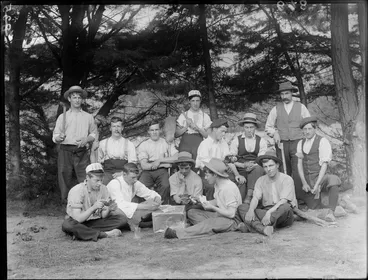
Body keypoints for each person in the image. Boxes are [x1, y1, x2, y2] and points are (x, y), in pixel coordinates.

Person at [164, 158, 243, 239]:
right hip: (220, 215)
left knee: (209, 222)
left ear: (215, 175)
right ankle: (210, 228)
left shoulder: (228, 188)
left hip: (232, 220)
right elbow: (217, 201)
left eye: (207, 175)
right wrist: (201, 201)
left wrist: (212, 208)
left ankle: (179, 233)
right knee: (192, 212)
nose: (205, 177)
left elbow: (231, 213)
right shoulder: (218, 184)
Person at [265, 81, 310, 201]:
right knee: (283, 171)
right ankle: (285, 199)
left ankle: (300, 199)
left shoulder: (301, 107)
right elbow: (268, 126)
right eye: (282, 94)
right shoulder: (276, 109)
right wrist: (274, 133)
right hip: (282, 144)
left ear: (291, 93)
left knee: (298, 170)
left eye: (287, 93)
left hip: (297, 142)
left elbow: (308, 124)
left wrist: (305, 139)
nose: (284, 96)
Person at [296, 116, 347, 222]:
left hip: (321, 178)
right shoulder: (300, 143)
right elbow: (299, 165)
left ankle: (331, 213)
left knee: (333, 179)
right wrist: (304, 183)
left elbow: (324, 166)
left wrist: (317, 184)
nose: (307, 132)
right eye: (305, 129)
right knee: (314, 208)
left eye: (310, 129)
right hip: (308, 181)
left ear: (315, 129)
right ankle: (341, 203)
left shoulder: (322, 141)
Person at [53, 85, 98, 204]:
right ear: (69, 99)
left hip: (81, 151)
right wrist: (59, 137)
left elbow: (93, 133)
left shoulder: (88, 117)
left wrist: (87, 139)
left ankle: (85, 203)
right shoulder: (63, 117)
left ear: (82, 100)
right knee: (64, 177)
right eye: (74, 97)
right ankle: (66, 204)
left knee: (84, 177)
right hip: (65, 150)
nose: (77, 100)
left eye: (79, 97)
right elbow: (55, 136)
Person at [237, 150, 297, 237]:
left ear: (277, 165)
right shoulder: (260, 180)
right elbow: (256, 198)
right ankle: (263, 229)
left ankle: (251, 226)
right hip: (265, 212)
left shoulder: (287, 179)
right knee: (242, 207)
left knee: (286, 207)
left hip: (282, 213)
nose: (268, 169)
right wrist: (250, 210)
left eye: (271, 165)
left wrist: (269, 213)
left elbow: (284, 201)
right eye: (265, 167)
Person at [61, 163, 127, 241]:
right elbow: (78, 218)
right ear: (87, 177)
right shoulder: (77, 190)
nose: (100, 183)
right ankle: (104, 234)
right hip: (78, 222)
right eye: (97, 180)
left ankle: (82, 233)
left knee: (121, 219)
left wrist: (109, 209)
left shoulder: (104, 189)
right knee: (68, 225)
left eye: (101, 180)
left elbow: (103, 215)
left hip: (94, 222)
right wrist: (93, 207)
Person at [196, 119, 245, 200]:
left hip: (222, 173)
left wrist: (237, 175)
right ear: (215, 129)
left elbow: (228, 160)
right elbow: (203, 165)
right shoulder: (205, 144)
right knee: (212, 186)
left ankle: (236, 207)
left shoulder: (223, 143)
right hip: (208, 174)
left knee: (241, 182)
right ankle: (212, 207)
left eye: (225, 132)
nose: (224, 134)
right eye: (222, 131)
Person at [106, 162, 162, 230]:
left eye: (136, 177)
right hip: (115, 211)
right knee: (119, 212)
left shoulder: (135, 183)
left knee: (151, 202)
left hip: (130, 210)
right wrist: (143, 207)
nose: (135, 180)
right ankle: (137, 223)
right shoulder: (115, 183)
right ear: (124, 174)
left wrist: (157, 198)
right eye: (133, 177)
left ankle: (138, 222)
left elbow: (149, 193)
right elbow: (120, 205)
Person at [229, 113, 267, 204]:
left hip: (255, 167)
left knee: (258, 169)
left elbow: (261, 158)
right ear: (243, 128)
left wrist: (253, 165)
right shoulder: (236, 140)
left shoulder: (261, 140)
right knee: (240, 187)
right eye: (247, 127)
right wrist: (243, 165)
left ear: (255, 128)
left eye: (251, 127)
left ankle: (249, 195)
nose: (249, 130)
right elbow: (231, 159)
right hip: (240, 168)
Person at [137, 122, 178, 204]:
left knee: (165, 185)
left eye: (156, 129)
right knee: (141, 186)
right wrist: (164, 163)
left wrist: (159, 161)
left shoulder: (166, 142)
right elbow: (144, 166)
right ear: (148, 132)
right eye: (152, 130)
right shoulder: (144, 144)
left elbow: (176, 157)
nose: (154, 132)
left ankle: (161, 205)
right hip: (148, 171)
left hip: (162, 171)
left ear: (160, 130)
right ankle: (146, 209)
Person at [98, 116, 138, 185]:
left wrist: (122, 173)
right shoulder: (103, 143)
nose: (116, 129)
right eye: (114, 126)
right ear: (110, 128)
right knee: (103, 187)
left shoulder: (129, 144)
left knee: (124, 187)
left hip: (123, 173)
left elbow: (132, 164)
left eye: (118, 126)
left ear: (122, 128)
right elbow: (99, 162)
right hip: (107, 173)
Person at [176, 90, 212, 163]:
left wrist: (197, 128)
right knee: (184, 165)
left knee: (197, 165)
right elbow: (176, 134)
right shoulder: (183, 116)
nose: (195, 103)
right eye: (193, 101)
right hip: (185, 144)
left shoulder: (205, 116)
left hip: (199, 144)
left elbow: (209, 136)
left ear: (200, 101)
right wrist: (186, 127)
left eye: (197, 101)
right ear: (189, 101)